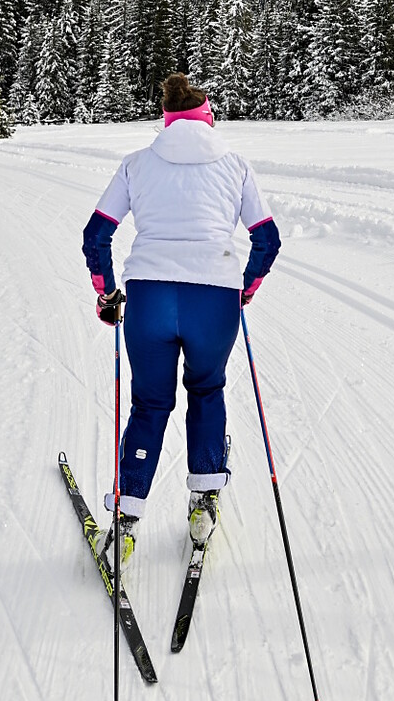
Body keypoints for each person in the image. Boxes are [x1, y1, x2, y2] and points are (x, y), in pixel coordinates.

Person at [80, 73, 282, 571]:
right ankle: (204, 505)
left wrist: (106, 292)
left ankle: (125, 524)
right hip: (213, 298)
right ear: (207, 116)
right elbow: (267, 238)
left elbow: (96, 235)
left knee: (149, 404)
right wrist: (246, 287)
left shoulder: (137, 164)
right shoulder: (234, 166)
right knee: (207, 391)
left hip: (149, 296)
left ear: (167, 120)